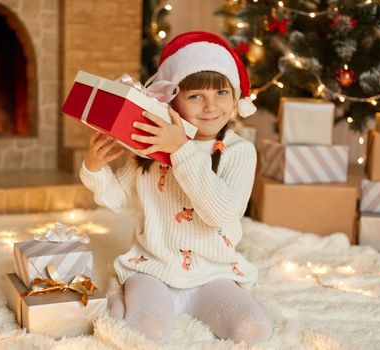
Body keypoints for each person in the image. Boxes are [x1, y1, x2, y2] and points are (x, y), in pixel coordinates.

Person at [80, 31, 273, 346]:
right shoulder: (149, 150)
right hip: (153, 270)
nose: (211, 107)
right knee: (145, 333)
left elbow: (221, 213)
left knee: (255, 328)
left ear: (236, 98)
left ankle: (126, 303)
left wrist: (181, 150)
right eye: (196, 96)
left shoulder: (239, 152)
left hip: (213, 274)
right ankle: (122, 299)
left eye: (222, 92)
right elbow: (116, 199)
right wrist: (94, 167)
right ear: (173, 101)